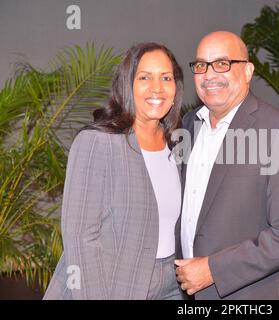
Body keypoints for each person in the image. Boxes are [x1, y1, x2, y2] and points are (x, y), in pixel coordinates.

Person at [174, 31, 279, 300]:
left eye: (222, 63)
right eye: (201, 65)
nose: (209, 74)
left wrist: (213, 269)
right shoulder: (188, 125)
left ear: (248, 71)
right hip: (189, 293)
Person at [44, 42, 184, 299]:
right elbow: (80, 239)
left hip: (173, 284)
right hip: (112, 283)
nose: (157, 87)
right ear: (127, 85)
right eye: (145, 77)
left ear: (176, 88)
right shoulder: (97, 142)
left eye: (166, 77)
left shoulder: (178, 144)